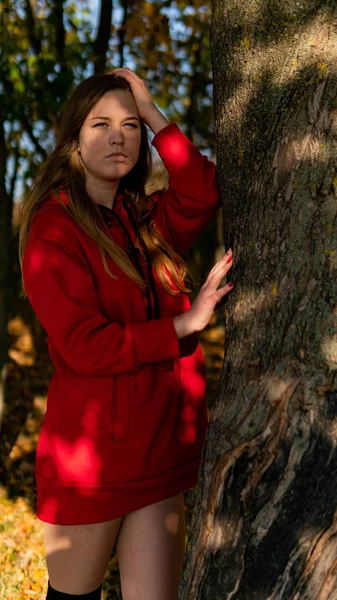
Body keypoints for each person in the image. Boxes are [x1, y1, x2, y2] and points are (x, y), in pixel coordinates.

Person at [19, 67, 235, 599]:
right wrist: (185, 324)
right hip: (92, 463)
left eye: (131, 124)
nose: (119, 135)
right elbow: (84, 345)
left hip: (162, 448)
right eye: (101, 124)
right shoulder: (53, 227)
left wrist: (152, 108)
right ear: (73, 137)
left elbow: (203, 191)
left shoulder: (145, 220)